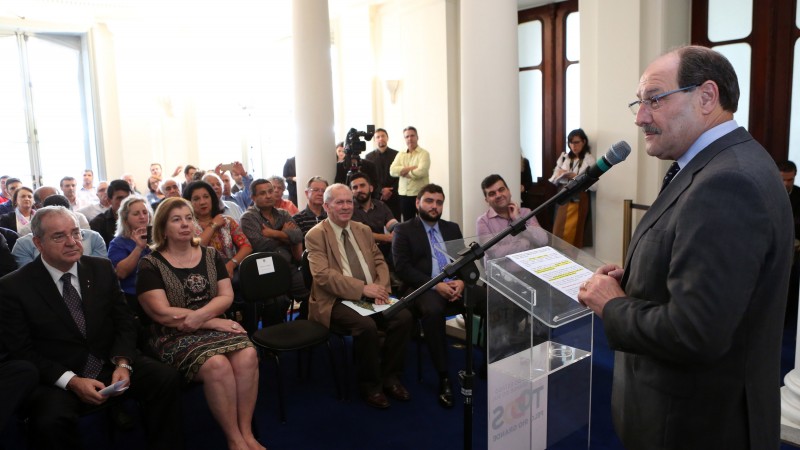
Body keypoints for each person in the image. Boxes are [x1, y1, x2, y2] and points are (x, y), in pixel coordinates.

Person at [578, 45, 793, 449]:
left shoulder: (729, 182)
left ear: (707, 97)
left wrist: (613, 306)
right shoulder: (719, 164)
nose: (641, 117)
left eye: (654, 100)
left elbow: (695, 332)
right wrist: (641, 279)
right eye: (639, 104)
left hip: (697, 426)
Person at [0, 206, 184, 449]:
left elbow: (124, 321)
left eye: (76, 233)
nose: (72, 242)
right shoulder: (14, 287)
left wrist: (123, 363)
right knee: (49, 420)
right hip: (58, 376)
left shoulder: (100, 268)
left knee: (165, 378)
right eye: (59, 236)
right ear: (38, 242)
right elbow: (22, 351)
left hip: (110, 362)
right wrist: (72, 381)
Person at [136, 197, 263, 450]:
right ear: (163, 228)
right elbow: (161, 313)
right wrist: (212, 321)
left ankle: (247, 432)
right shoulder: (150, 263)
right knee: (217, 365)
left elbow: (226, 296)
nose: (185, 224)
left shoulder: (210, 255)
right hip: (173, 334)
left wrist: (203, 318)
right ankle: (234, 439)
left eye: (188, 218)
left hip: (209, 324)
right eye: (176, 219)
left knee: (248, 354)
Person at [305, 183, 413, 409]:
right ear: (326, 206)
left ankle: (390, 377)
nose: (346, 207)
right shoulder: (315, 235)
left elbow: (379, 261)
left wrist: (381, 288)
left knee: (403, 317)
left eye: (348, 201)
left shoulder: (362, 229)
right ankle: (371, 386)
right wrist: (362, 289)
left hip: (371, 294)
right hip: (335, 299)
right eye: (339, 202)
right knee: (366, 327)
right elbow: (323, 276)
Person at [392, 183, 475, 408]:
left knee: (487, 296)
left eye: (439, 202)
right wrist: (435, 285)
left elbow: (464, 260)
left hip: (453, 284)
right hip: (421, 287)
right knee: (433, 310)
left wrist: (461, 281)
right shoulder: (403, 229)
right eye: (429, 201)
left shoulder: (451, 228)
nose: (434, 206)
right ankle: (444, 376)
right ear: (418, 202)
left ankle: (491, 361)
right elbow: (402, 268)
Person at [240, 179, 307, 324]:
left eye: (270, 191)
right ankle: (272, 337)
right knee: (278, 301)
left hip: (288, 264)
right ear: (253, 198)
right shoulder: (248, 217)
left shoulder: (283, 214)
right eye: (262, 193)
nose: (269, 196)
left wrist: (273, 233)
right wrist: (285, 235)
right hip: (265, 269)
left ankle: (302, 322)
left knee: (311, 292)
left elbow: (298, 236)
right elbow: (260, 246)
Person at [183, 181, 252, 279]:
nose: (202, 202)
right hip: (199, 275)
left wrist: (232, 264)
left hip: (230, 272)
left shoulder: (227, 221)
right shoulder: (186, 225)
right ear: (188, 203)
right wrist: (213, 225)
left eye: (206, 197)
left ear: (212, 199)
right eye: (196, 199)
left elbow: (247, 246)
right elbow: (196, 248)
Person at [476, 174, 548, 258]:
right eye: (492, 194)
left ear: (509, 191)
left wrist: (518, 220)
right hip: (500, 271)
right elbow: (495, 254)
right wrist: (525, 243)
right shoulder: (483, 221)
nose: (498, 195)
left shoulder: (526, 213)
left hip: (530, 268)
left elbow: (543, 240)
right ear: (487, 200)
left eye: (501, 189)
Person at [548, 128, 596, 247]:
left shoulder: (588, 159)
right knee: (558, 230)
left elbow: (595, 186)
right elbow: (553, 180)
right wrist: (560, 174)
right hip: (563, 195)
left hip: (579, 197)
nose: (573, 146)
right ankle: (558, 259)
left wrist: (576, 176)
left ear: (584, 142)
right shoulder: (564, 157)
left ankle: (572, 261)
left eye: (576, 142)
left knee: (575, 231)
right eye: (570, 142)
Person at [107, 196, 152, 314]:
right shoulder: (118, 243)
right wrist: (139, 248)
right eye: (136, 214)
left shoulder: (157, 237)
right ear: (126, 218)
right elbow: (120, 273)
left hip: (159, 292)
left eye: (145, 212)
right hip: (132, 297)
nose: (142, 216)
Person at [349, 172, 398, 269]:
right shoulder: (348, 209)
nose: (359, 190)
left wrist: (397, 233)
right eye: (355, 187)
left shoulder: (380, 205)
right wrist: (386, 238)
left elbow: (393, 225)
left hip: (382, 249)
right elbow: (359, 234)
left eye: (362, 186)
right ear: (351, 192)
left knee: (401, 242)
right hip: (360, 250)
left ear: (371, 188)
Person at [389, 126, 431, 221]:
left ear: (417, 137)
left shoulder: (424, 154)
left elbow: (421, 171)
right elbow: (392, 171)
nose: (410, 138)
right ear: (404, 139)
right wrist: (411, 168)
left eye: (412, 135)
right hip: (404, 195)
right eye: (407, 136)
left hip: (420, 194)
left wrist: (404, 173)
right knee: (408, 223)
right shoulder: (400, 154)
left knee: (424, 221)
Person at [364, 128, 401, 220]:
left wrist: (390, 190)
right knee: (377, 224)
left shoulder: (397, 154)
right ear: (375, 140)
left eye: (383, 136)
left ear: (387, 138)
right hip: (377, 196)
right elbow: (368, 178)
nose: (381, 138)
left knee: (396, 224)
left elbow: (400, 175)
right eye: (378, 137)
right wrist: (381, 190)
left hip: (394, 195)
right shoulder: (368, 157)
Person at [89, 179, 132, 247]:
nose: (125, 202)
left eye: (128, 198)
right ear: (109, 201)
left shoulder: (141, 218)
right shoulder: (98, 223)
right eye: (120, 198)